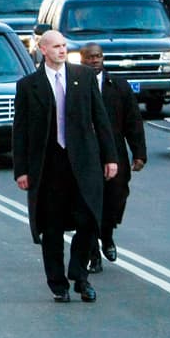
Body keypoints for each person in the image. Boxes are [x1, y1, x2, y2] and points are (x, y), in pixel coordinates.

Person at [12, 30, 117, 303]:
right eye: (56, 46)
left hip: (83, 162)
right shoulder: (28, 86)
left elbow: (100, 119)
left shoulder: (83, 77)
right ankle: (58, 284)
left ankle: (80, 275)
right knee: (52, 227)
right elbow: (20, 130)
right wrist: (21, 170)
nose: (61, 50)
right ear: (43, 49)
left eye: (64, 46)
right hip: (48, 166)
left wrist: (111, 158)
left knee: (89, 218)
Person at [78, 43, 147, 273]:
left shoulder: (118, 86)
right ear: (82, 59)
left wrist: (139, 153)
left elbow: (133, 121)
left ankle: (106, 235)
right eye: (90, 57)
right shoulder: (74, 86)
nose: (95, 60)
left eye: (98, 56)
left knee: (116, 195)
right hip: (86, 155)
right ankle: (93, 254)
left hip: (114, 153)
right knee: (89, 204)